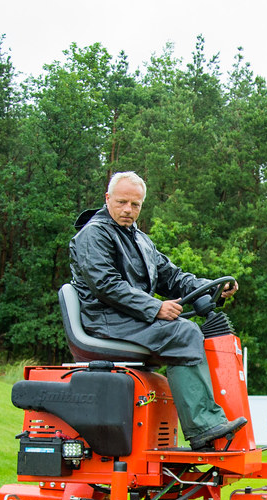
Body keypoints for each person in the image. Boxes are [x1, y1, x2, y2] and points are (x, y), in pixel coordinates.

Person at [68, 171, 247, 450]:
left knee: (188, 329)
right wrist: (155, 307)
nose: (128, 210)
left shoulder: (140, 240)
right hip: (106, 319)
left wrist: (209, 287)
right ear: (107, 199)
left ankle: (207, 422)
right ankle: (204, 428)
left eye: (135, 204)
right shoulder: (94, 235)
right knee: (185, 333)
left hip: (129, 317)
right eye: (122, 202)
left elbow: (172, 277)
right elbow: (105, 284)